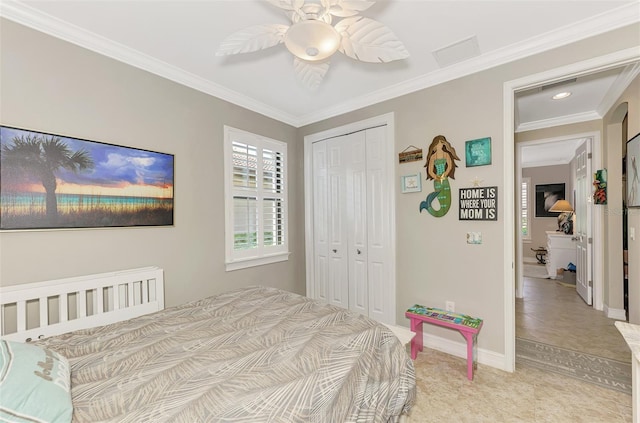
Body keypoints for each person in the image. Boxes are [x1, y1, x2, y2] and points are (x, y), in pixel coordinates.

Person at [420, 135, 460, 217]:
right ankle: (428, 206)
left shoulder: (446, 155)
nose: (439, 146)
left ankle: (430, 206)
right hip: (437, 180)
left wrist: (445, 174)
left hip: (444, 179)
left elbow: (449, 166)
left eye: (441, 143)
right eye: (437, 144)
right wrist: (436, 177)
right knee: (440, 196)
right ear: (434, 146)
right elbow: (430, 170)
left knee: (446, 199)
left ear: (443, 145)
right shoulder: (433, 157)